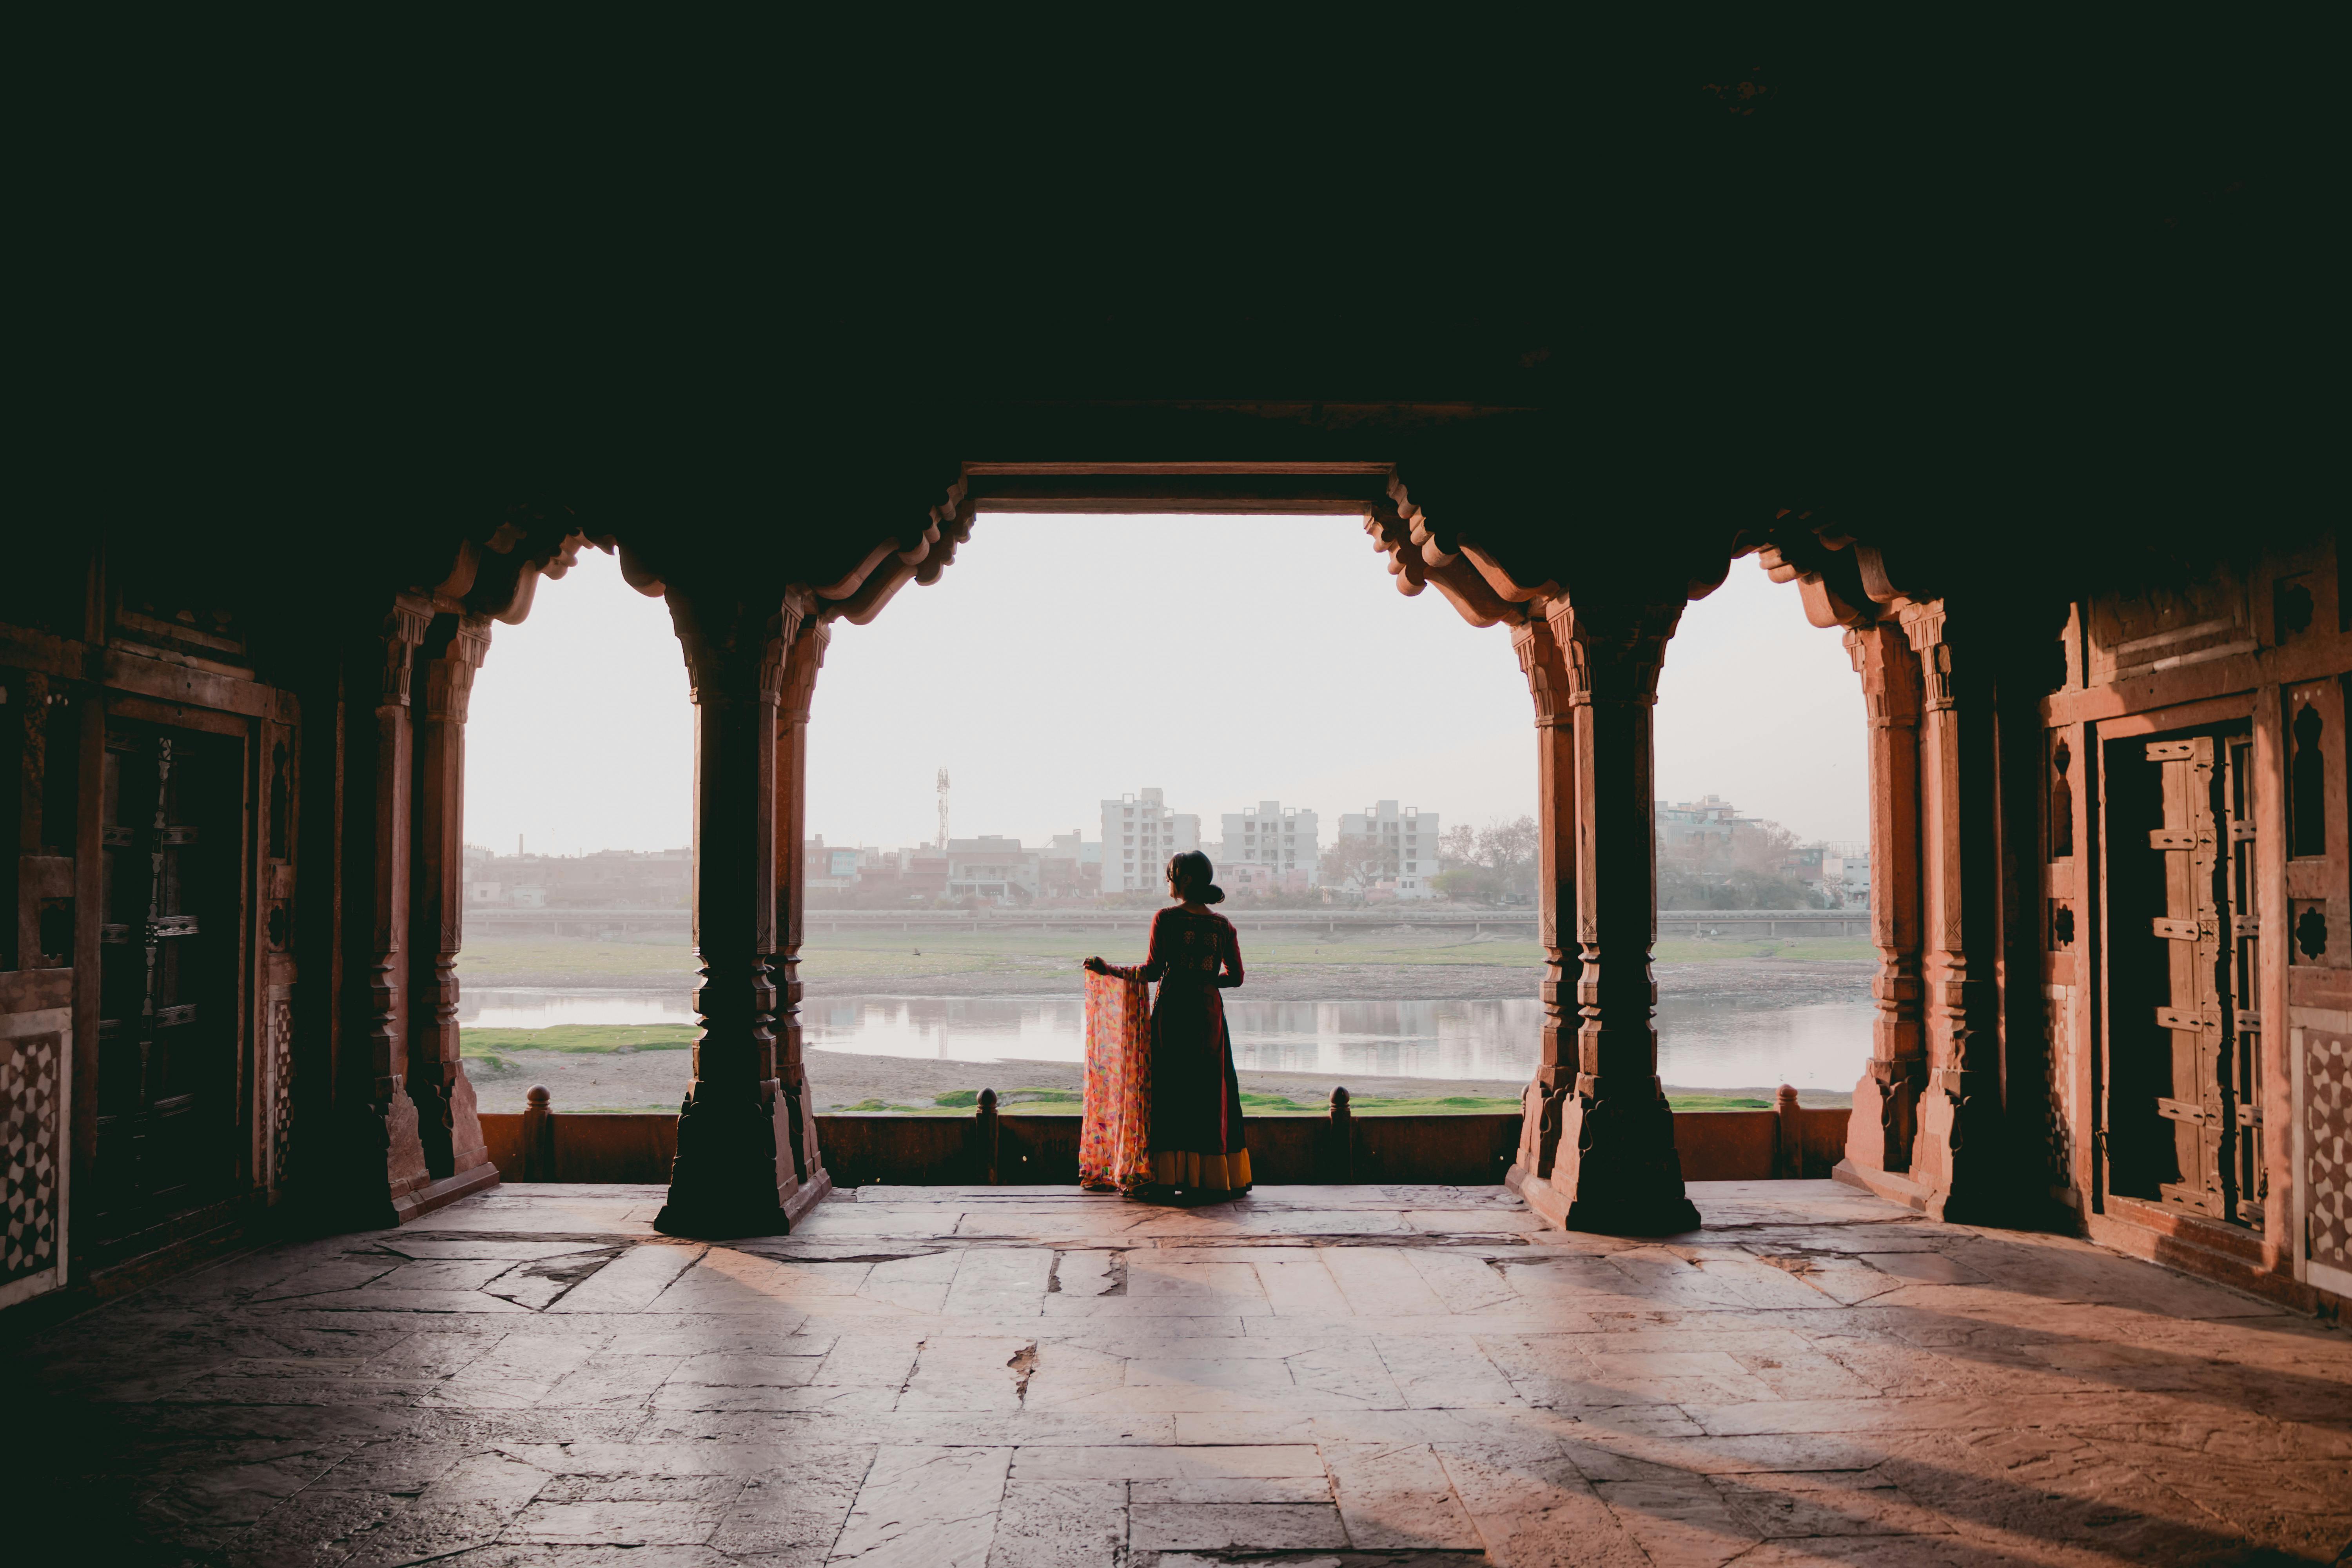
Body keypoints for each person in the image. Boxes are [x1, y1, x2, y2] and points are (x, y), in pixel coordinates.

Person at [1083, 850, 1251, 1198]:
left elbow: (1152, 973)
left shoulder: (1167, 919)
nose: (1168, 881)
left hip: (1174, 1014)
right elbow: (1235, 978)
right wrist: (1204, 982)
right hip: (1209, 1017)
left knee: (1169, 1090)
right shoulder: (1223, 925)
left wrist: (1108, 970)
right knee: (1209, 1092)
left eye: (1170, 875)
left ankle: (1164, 1178)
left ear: (1185, 880)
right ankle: (1212, 1180)